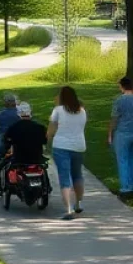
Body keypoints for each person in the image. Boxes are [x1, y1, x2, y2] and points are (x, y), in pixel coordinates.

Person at [48, 85, 88, 220]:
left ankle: (69, 209)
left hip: (61, 146)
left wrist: (47, 138)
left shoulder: (58, 110)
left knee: (65, 177)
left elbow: (51, 130)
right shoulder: (82, 111)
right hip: (78, 146)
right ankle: (78, 203)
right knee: (77, 175)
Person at [108, 77, 133, 200]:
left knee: (123, 160)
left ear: (122, 86)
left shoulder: (119, 100)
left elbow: (114, 119)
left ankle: (125, 189)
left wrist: (110, 134)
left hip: (122, 133)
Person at [2, 102, 48, 166]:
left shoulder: (13, 128)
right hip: (37, 159)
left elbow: (6, 141)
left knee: (2, 166)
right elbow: (44, 141)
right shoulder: (40, 128)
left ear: (19, 113)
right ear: (30, 112)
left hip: (19, 160)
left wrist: (7, 148)